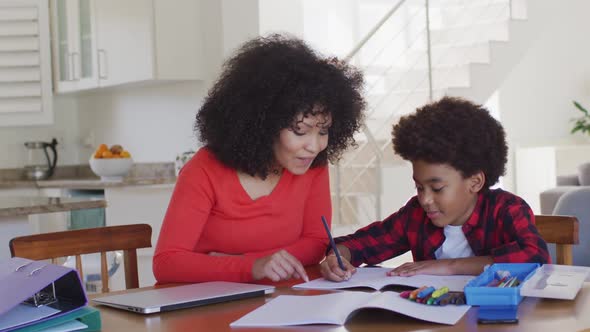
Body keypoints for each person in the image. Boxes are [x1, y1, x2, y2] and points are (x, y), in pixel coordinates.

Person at [153, 34, 366, 284]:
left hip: (282, 300)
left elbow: (316, 243)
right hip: (209, 305)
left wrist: (249, 262)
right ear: (264, 125)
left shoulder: (312, 164)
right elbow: (167, 263)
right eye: (300, 131)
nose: (315, 145)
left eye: (323, 131)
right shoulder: (203, 170)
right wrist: (252, 266)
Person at [321, 96, 550, 282]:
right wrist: (339, 255)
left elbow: (536, 258)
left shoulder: (507, 209)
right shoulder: (416, 215)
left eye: (437, 188)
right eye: (419, 187)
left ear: (475, 182)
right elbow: (364, 243)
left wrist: (449, 267)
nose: (425, 199)